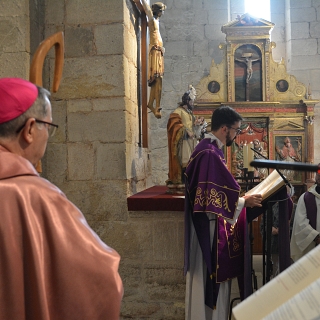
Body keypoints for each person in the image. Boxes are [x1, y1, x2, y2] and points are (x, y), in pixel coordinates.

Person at [0, 78, 123, 319]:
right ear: (29, 129)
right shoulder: (37, 197)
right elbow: (101, 282)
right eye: (48, 126)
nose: (47, 135)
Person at [184, 106, 263, 320]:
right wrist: (244, 202)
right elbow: (210, 197)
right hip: (208, 227)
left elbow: (215, 190)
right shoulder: (209, 153)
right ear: (224, 128)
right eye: (236, 131)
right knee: (207, 280)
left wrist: (240, 200)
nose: (237, 136)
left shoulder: (210, 150)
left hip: (211, 222)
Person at [166, 85, 206, 187]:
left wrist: (198, 125)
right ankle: (184, 182)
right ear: (187, 101)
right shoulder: (178, 111)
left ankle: (191, 182)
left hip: (191, 141)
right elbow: (173, 125)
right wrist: (184, 130)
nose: (193, 103)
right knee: (185, 161)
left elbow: (193, 128)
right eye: (192, 101)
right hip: (183, 141)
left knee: (192, 162)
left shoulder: (190, 113)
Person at [140, 1, 166, 119]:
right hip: (154, 52)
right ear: (158, 11)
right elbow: (145, 7)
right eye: (162, 11)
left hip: (159, 52)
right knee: (158, 78)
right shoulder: (152, 19)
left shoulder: (157, 21)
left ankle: (152, 103)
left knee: (158, 79)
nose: (163, 13)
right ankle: (157, 106)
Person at [290, 171, 320, 262]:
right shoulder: (305, 198)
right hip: (311, 246)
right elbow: (300, 222)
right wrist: (316, 237)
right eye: (318, 173)